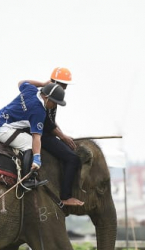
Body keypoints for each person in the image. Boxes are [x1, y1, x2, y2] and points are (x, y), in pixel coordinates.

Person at [0, 80, 66, 189]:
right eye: (55, 102)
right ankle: (26, 181)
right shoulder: (39, 112)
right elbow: (36, 137)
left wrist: (42, 84)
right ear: (46, 97)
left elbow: (20, 82)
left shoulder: (31, 89)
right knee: (29, 143)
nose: (55, 105)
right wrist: (37, 158)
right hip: (0, 129)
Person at [41, 67, 84, 206]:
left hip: (48, 132)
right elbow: (47, 123)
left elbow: (52, 120)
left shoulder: (53, 92)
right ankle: (66, 196)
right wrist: (63, 137)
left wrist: (63, 134)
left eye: (65, 85)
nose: (64, 88)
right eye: (63, 84)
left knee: (70, 148)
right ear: (54, 81)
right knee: (73, 158)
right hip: (41, 134)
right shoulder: (47, 94)